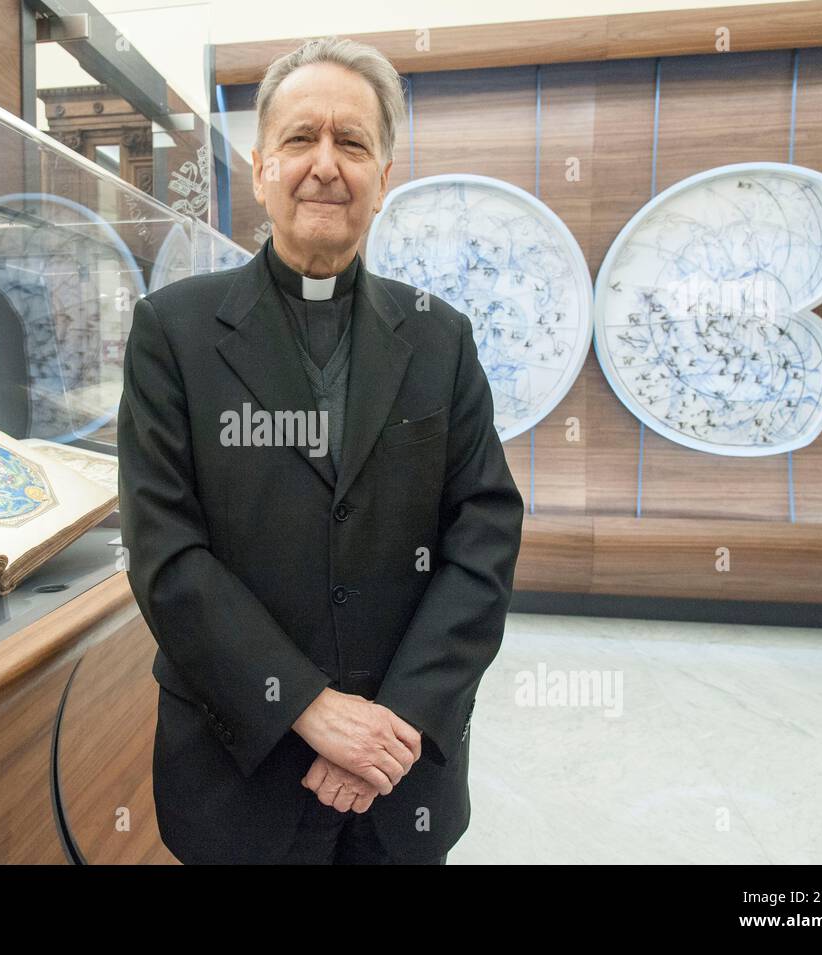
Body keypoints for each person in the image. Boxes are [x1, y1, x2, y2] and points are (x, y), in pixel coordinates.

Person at [117, 35, 524, 864]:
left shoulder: (441, 339)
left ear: (384, 178)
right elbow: (165, 550)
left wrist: (397, 719)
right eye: (301, 139)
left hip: (398, 780)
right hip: (239, 773)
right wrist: (306, 705)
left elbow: (483, 536)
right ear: (262, 167)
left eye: (353, 142)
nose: (325, 165)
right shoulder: (174, 333)